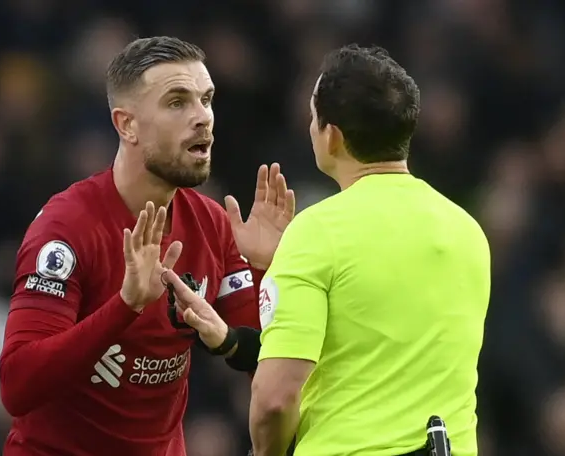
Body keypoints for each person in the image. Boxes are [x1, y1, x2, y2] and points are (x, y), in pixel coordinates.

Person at [169, 45, 491, 456]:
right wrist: (273, 270)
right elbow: (373, 341)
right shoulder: (467, 230)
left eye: (313, 117)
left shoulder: (318, 233)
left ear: (332, 135)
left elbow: (275, 399)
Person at [0, 36, 295, 456]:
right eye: (177, 102)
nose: (203, 118)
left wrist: (265, 269)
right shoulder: (68, 227)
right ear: (126, 124)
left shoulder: (211, 223)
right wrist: (124, 306)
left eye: (206, 100)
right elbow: (17, 386)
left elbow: (268, 368)